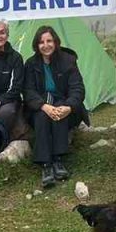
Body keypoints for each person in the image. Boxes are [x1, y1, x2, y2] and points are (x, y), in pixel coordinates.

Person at [23, 25, 87, 188]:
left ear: (56, 42)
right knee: (42, 116)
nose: (46, 45)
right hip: (41, 105)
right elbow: (28, 91)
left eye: (49, 41)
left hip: (65, 105)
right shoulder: (31, 64)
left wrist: (69, 107)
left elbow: (77, 89)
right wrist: (43, 106)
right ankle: (45, 164)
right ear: (36, 45)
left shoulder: (68, 60)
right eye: (41, 42)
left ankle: (58, 160)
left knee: (58, 112)